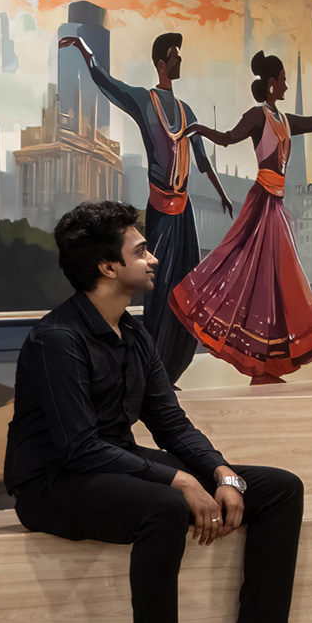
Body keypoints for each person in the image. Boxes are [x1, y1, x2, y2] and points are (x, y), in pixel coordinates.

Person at [5, 198, 312, 623]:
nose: (154, 258)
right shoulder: (56, 340)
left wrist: (222, 474)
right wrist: (178, 480)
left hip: (110, 462)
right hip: (53, 482)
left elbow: (171, 424)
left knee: (277, 488)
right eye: (140, 251)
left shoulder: (134, 334)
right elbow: (78, 447)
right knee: (163, 507)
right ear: (108, 267)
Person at [167, 51, 312, 383]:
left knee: (276, 282)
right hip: (262, 203)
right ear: (272, 83)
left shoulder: (285, 119)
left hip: (277, 206)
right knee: (252, 273)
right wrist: (198, 129)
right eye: (283, 79)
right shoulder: (258, 116)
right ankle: (257, 360)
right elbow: (228, 139)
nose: (286, 84)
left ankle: (268, 362)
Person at [63, 28, 219, 379]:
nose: (180, 60)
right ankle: (153, 369)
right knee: (158, 288)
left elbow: (201, 159)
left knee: (187, 285)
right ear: (162, 63)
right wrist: (85, 50)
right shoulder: (144, 101)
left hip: (185, 212)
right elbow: (108, 83)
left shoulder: (186, 110)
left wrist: (220, 192)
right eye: (175, 56)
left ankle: (174, 367)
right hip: (162, 210)